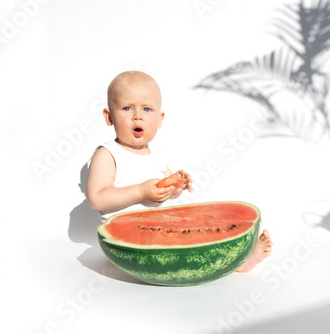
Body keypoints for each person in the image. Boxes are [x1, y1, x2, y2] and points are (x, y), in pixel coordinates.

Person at [86, 70, 272, 273]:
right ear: (109, 116)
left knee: (199, 227)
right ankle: (235, 264)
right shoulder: (108, 154)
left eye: (147, 109)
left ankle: (239, 259)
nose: (137, 116)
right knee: (183, 246)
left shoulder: (156, 157)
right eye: (127, 108)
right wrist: (140, 191)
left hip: (158, 228)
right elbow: (97, 198)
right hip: (128, 244)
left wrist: (177, 185)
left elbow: (167, 192)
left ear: (160, 119)